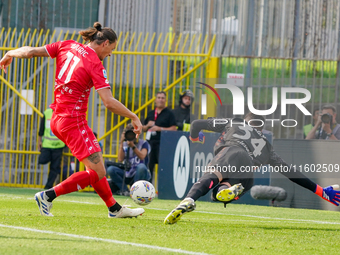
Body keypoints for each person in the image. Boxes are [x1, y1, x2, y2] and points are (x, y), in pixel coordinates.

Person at [0, 22, 145, 218]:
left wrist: (10, 53)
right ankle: (48, 195)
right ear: (105, 43)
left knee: (93, 168)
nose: (111, 54)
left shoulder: (67, 45)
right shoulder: (95, 63)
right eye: (112, 49)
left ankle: (114, 208)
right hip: (73, 121)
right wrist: (133, 116)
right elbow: (108, 102)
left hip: (57, 119)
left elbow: (31, 52)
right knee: (98, 172)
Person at [164, 113, 340, 224]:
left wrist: (194, 138)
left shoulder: (234, 123)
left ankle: (188, 199)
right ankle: (226, 189)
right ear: (262, 129)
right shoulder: (266, 146)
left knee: (212, 175)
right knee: (218, 192)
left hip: (231, 151)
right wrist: (320, 191)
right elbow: (291, 172)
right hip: (247, 172)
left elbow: (195, 124)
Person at [107, 123, 151, 195]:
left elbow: (142, 156)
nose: (131, 136)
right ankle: (125, 191)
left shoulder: (143, 143)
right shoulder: (125, 144)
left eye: (132, 133)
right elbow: (120, 159)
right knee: (111, 169)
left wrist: (133, 146)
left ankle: (136, 191)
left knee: (141, 167)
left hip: (140, 173)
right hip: (128, 172)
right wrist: (121, 143)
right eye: (129, 133)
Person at [142, 91, 177, 179]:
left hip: (163, 144)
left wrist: (160, 129)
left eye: (162, 98)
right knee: (149, 166)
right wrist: (147, 126)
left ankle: (162, 189)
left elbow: (174, 128)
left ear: (165, 100)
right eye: (159, 97)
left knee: (163, 167)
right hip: (150, 143)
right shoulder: (151, 113)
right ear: (155, 100)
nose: (160, 100)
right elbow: (143, 129)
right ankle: (148, 188)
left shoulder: (169, 113)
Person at [38, 108, 65, 189]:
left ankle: (48, 186)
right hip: (47, 144)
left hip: (58, 145)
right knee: (42, 160)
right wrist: (39, 141)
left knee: (54, 168)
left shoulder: (64, 113)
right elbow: (42, 128)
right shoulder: (47, 113)